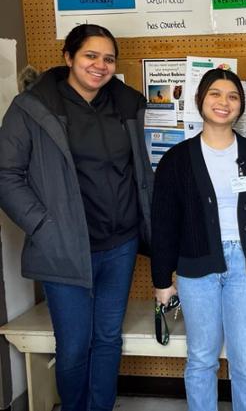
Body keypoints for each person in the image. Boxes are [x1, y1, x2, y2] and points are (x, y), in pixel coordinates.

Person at [0, 24, 153, 411]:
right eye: (90, 56)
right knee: (73, 345)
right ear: (68, 57)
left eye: (108, 58)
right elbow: (6, 175)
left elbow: (139, 172)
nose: (100, 66)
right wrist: (41, 225)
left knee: (106, 339)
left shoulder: (126, 105)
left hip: (119, 245)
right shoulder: (33, 108)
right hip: (63, 247)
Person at [151, 68, 246, 411]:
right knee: (201, 358)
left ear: (240, 106)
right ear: (199, 101)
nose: (223, 103)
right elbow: (164, 223)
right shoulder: (177, 160)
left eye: (232, 96)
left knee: (245, 359)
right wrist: (161, 280)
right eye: (215, 94)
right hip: (196, 268)